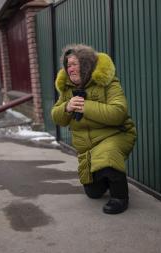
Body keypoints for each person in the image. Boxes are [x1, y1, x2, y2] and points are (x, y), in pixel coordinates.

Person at [51, 44, 137, 214]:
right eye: (68, 65)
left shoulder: (107, 82)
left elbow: (118, 113)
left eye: (75, 64)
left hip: (115, 135)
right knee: (93, 192)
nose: (71, 69)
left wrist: (85, 106)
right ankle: (105, 177)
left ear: (86, 64)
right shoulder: (67, 88)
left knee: (108, 155)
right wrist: (67, 107)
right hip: (87, 147)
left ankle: (120, 197)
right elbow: (56, 117)